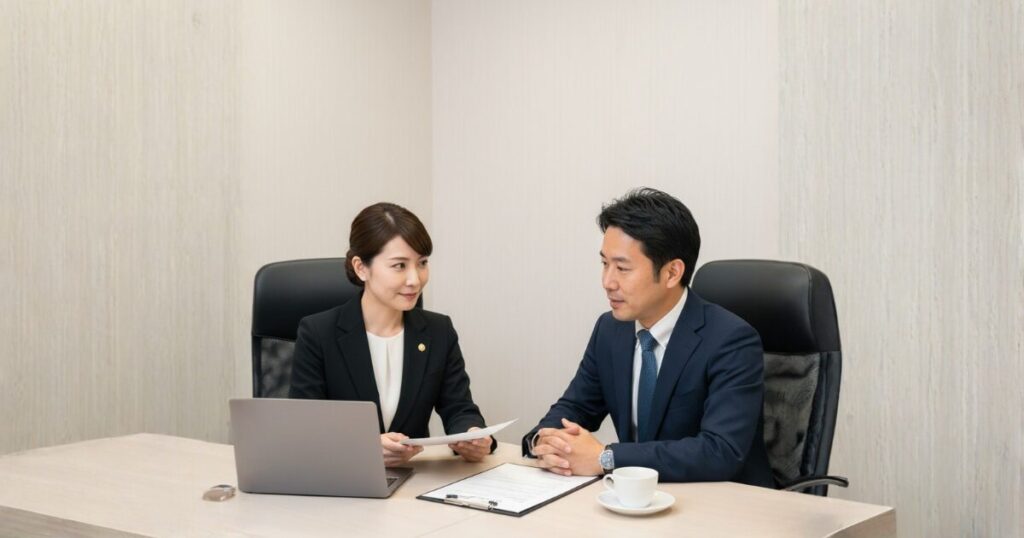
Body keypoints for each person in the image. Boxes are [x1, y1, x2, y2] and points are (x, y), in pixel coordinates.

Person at [522, 188, 773, 486]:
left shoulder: (731, 340)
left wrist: (606, 457)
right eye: (604, 264)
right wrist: (544, 441)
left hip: (723, 501)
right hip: (637, 498)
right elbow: (575, 408)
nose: (607, 282)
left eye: (622, 268)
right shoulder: (610, 330)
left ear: (672, 273)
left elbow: (719, 452)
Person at [289, 202, 493, 467]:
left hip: (416, 481)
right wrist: (363, 447)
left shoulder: (438, 331)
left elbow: (459, 408)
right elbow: (305, 429)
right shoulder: (318, 333)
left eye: (422, 263)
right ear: (361, 268)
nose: (415, 279)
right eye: (399, 265)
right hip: (343, 479)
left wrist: (473, 436)